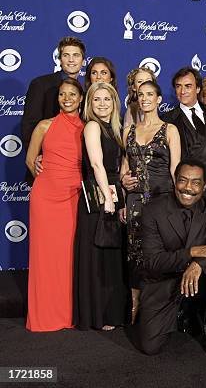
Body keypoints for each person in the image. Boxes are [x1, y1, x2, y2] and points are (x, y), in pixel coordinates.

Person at [132, 159, 206, 357]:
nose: (188, 188)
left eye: (196, 182)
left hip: (200, 281)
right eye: (182, 180)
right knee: (150, 347)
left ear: (205, 186)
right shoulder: (152, 210)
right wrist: (190, 253)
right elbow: (152, 262)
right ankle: (183, 311)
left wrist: (199, 264)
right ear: (175, 181)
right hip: (164, 283)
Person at [25, 78, 85, 332]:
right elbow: (30, 161)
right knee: (44, 258)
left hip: (73, 197)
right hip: (45, 198)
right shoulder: (44, 126)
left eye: (72, 94)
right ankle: (44, 316)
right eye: (62, 94)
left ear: (81, 98)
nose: (67, 98)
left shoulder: (88, 128)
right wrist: (44, 171)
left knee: (68, 257)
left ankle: (67, 314)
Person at [120, 80, 181, 324]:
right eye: (140, 95)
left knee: (159, 253)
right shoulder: (128, 131)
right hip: (135, 201)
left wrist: (178, 203)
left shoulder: (170, 130)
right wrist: (124, 187)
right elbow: (125, 166)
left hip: (162, 199)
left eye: (149, 94)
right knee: (135, 253)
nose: (144, 98)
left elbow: (176, 168)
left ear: (158, 100)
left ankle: (162, 308)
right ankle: (136, 305)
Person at [73, 82, 127, 331]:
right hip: (98, 197)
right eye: (97, 100)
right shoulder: (93, 126)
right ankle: (97, 316)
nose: (102, 104)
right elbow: (96, 164)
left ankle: (111, 314)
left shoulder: (115, 128)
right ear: (89, 104)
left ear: (114, 102)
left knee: (111, 257)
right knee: (97, 257)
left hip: (115, 195)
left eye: (107, 99)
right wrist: (107, 197)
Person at [161, 67, 206, 203]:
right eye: (178, 86)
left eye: (188, 86)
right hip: (186, 187)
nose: (182, 91)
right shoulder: (167, 120)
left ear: (198, 89)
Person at [21, 37, 85, 183]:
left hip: (75, 172)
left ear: (83, 60)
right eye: (66, 55)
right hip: (46, 168)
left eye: (76, 55)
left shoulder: (86, 90)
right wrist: (37, 155)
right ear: (59, 59)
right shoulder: (41, 84)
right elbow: (29, 125)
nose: (71, 60)